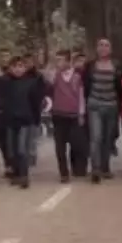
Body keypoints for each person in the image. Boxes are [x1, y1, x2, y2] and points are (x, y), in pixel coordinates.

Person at [0, 55, 46, 189]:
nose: (18, 69)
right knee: (12, 151)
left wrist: (36, 119)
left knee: (21, 149)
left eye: (21, 66)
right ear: (10, 68)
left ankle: (24, 176)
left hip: (25, 120)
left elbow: (35, 102)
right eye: (15, 66)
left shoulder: (31, 82)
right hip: (9, 121)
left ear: (25, 68)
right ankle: (16, 174)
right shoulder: (5, 83)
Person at [81, 38, 122, 184]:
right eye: (101, 45)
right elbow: (84, 86)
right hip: (94, 105)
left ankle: (105, 167)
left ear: (110, 49)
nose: (103, 48)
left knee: (108, 138)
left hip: (111, 105)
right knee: (96, 137)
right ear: (97, 49)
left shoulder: (116, 66)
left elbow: (120, 87)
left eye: (106, 45)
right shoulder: (90, 66)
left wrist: (120, 105)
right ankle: (96, 169)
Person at [48, 50, 87, 183]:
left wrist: (81, 113)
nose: (58, 63)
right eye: (57, 60)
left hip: (73, 115)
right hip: (58, 114)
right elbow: (48, 84)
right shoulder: (55, 76)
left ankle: (77, 167)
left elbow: (81, 96)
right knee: (60, 146)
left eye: (60, 60)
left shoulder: (77, 77)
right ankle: (63, 173)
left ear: (68, 61)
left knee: (76, 144)